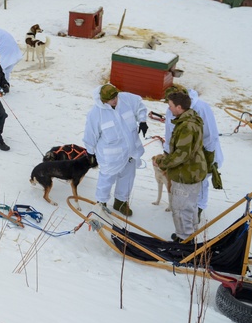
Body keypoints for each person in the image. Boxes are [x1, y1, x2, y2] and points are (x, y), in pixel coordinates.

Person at [82, 83, 147, 216]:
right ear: (103, 100)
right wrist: (90, 152)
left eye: (116, 96)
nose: (115, 100)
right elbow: (90, 134)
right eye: (112, 99)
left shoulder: (126, 99)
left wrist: (142, 121)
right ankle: (101, 204)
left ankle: (120, 202)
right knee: (106, 180)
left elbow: (140, 106)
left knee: (128, 178)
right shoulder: (96, 113)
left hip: (130, 152)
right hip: (111, 156)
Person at [163, 85, 224, 220]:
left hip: (200, 154)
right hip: (181, 155)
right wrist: (167, 151)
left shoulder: (201, 108)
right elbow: (169, 131)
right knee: (184, 183)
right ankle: (186, 211)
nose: (168, 107)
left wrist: (208, 158)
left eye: (170, 104)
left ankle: (199, 208)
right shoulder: (172, 109)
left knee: (200, 182)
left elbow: (211, 135)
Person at [156, 91, 208, 242]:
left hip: (185, 173)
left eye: (171, 106)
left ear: (179, 107)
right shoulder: (192, 119)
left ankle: (184, 241)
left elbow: (181, 154)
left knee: (180, 208)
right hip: (194, 171)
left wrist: (162, 162)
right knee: (190, 206)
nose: (169, 108)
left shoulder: (186, 126)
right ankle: (189, 235)